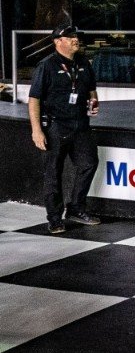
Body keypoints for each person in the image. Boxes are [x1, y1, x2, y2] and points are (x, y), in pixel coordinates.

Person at [28, 25, 101, 234]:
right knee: (53, 172)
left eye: (76, 36)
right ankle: (54, 218)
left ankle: (76, 208)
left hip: (80, 124)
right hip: (55, 126)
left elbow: (91, 89)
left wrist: (94, 100)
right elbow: (34, 100)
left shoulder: (84, 63)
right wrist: (37, 130)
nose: (75, 40)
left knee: (89, 163)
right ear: (57, 41)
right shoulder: (46, 66)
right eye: (70, 37)